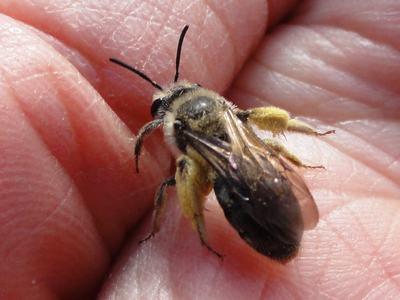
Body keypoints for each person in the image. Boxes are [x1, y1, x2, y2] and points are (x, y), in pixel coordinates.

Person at [0, 1, 399, 299]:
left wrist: (139, 145)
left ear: (165, 119)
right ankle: (302, 150)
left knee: (171, 184)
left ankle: (200, 232)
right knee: (254, 137)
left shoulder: (176, 127)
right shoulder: (224, 112)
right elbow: (256, 125)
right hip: (267, 187)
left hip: (250, 206)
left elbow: (156, 132)